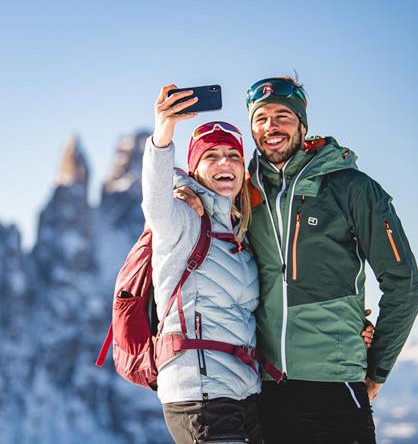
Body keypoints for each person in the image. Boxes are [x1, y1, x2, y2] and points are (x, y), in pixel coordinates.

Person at [174, 76, 418, 443]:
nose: (270, 126)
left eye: (282, 116)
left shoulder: (350, 187)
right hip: (265, 391)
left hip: (335, 385)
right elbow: (204, 189)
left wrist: (377, 369)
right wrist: (185, 192)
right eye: (261, 118)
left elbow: (404, 281)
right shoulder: (244, 190)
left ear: (302, 124)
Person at [143, 85, 264, 443]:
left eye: (233, 156)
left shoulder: (239, 233)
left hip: (244, 392)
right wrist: (163, 132)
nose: (225, 163)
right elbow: (156, 204)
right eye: (212, 156)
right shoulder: (183, 219)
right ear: (194, 168)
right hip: (200, 396)